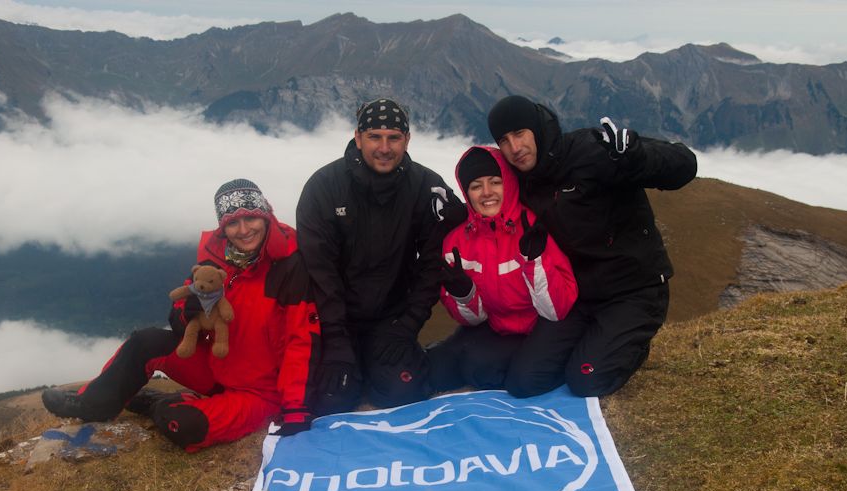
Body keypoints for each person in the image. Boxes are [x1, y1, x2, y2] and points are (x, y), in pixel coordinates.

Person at [41, 179, 318, 452]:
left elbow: (300, 340)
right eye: (233, 223)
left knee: (184, 425)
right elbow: (179, 318)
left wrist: (295, 408)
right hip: (215, 369)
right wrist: (187, 313)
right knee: (145, 342)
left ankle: (157, 403)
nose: (243, 230)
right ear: (223, 228)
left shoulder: (289, 267)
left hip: (259, 394)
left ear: (266, 215)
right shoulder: (216, 259)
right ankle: (92, 405)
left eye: (251, 218)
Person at [486, 96, 697, 397]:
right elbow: (487, 205)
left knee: (586, 379)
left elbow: (684, 165)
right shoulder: (523, 181)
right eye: (503, 140)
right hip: (578, 296)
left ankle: (629, 347)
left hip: (634, 290)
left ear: (536, 128)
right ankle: (595, 345)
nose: (514, 148)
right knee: (524, 381)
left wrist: (636, 156)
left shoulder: (594, 150)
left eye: (519, 134)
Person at [296, 98, 465, 414]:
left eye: (394, 137)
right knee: (331, 401)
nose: (384, 147)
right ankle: (350, 364)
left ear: (407, 140)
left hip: (392, 319)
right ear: (358, 137)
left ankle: (382, 363)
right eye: (374, 136)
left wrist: (407, 326)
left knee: (402, 392)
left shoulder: (426, 187)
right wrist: (335, 340)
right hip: (334, 320)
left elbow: (433, 264)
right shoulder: (324, 188)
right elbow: (319, 271)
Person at [428, 145, 578, 395]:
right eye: (476, 186)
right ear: (467, 192)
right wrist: (464, 294)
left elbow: (556, 310)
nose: (487, 193)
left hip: (543, 324)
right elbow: (474, 319)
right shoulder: (456, 241)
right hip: (497, 325)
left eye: (495, 182)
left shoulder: (531, 227)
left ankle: (561, 360)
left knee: (502, 376)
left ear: (508, 183)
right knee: (437, 371)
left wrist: (535, 262)